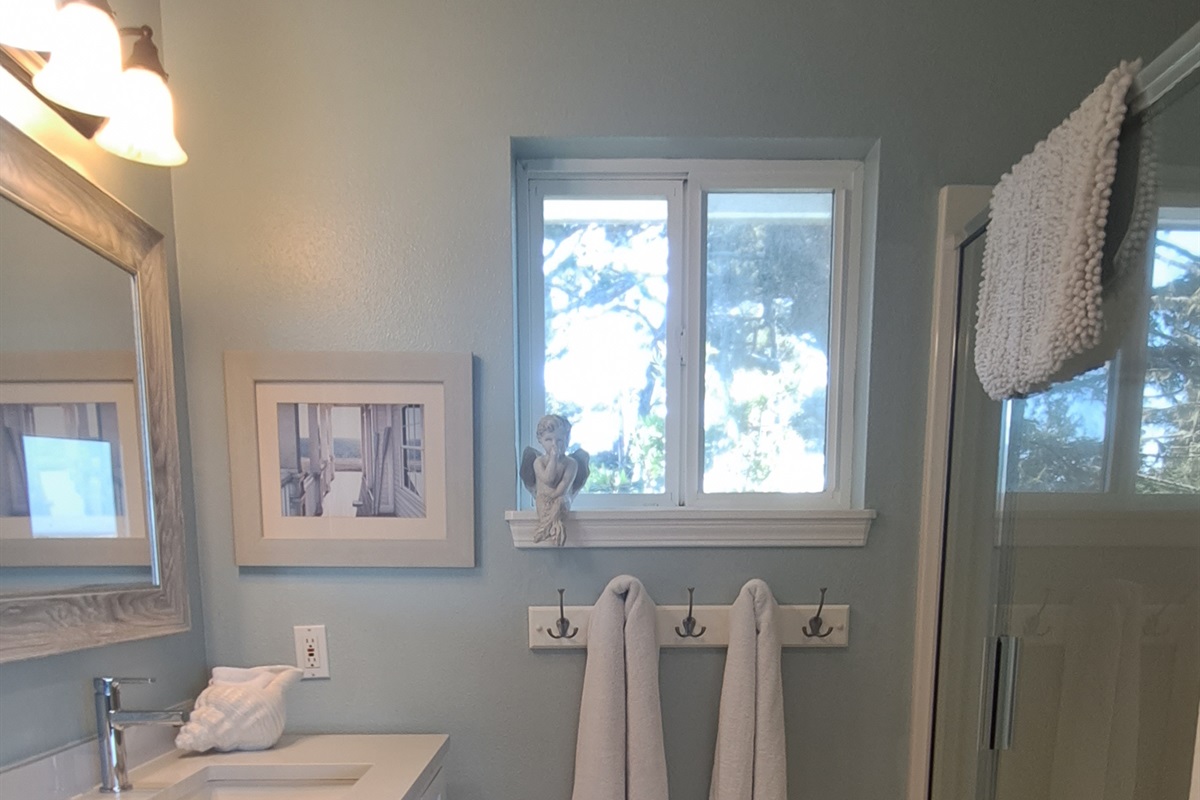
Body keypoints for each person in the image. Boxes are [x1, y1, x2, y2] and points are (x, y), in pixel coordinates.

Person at [519, 414, 589, 546]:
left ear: (567, 440)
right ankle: (550, 526)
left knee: (561, 502)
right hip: (543, 499)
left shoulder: (571, 463)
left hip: (560, 498)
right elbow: (548, 479)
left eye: (559, 440)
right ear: (540, 440)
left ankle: (548, 528)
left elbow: (564, 484)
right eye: (548, 440)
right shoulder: (538, 462)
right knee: (548, 507)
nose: (554, 445)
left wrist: (554, 495)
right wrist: (553, 460)